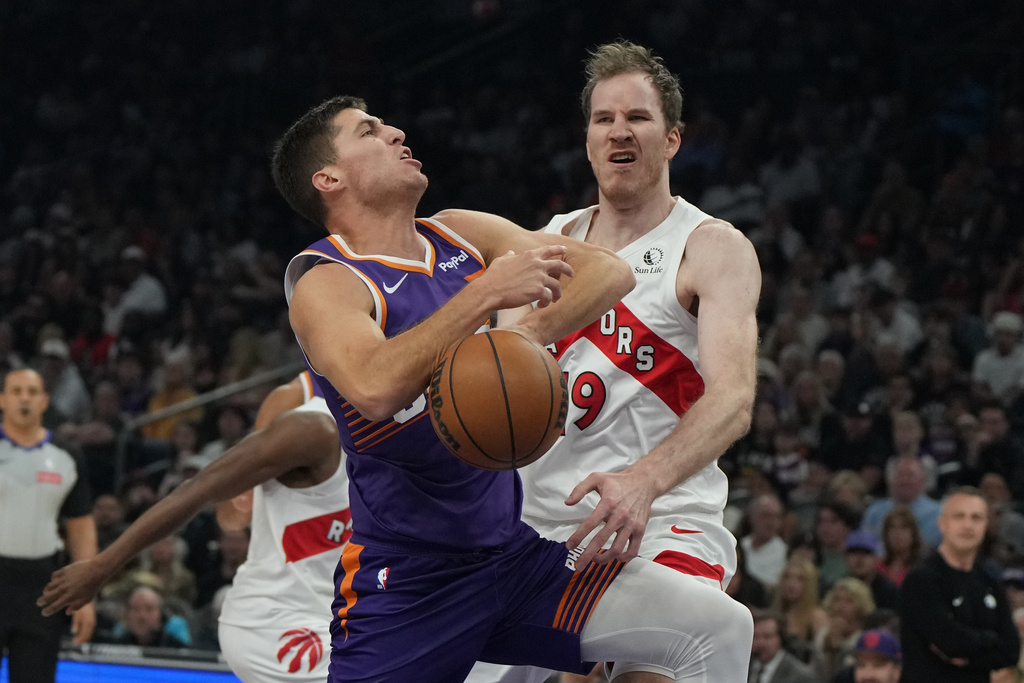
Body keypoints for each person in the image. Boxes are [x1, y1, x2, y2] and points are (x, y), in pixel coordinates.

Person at [278, 92, 752, 682]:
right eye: (369, 131)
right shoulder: (330, 281)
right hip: (411, 587)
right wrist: (484, 297)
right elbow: (374, 387)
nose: (396, 132)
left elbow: (610, 271)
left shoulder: (460, 233)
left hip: (517, 561)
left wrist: (515, 341)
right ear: (329, 177)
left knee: (718, 626)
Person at [472, 39, 760, 683]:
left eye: (638, 118)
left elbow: (733, 397)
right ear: (588, 139)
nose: (618, 131)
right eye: (604, 119)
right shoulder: (549, 242)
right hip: (539, 526)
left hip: (659, 522)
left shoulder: (711, 246)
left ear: (673, 139)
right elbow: (495, 384)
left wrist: (643, 481)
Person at [38, 377, 350, 682]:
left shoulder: (389, 435)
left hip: (341, 616)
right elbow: (209, 499)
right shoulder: (311, 422)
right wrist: (101, 566)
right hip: (278, 621)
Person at [0, 368, 97, 683]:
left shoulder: (67, 456)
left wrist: (86, 595)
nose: (24, 398)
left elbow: (81, 527)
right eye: (16, 391)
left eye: (31, 391)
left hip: (41, 586)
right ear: (2, 400)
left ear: (44, 401)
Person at [899, 486, 1020, 682]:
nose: (968, 525)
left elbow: (1011, 651)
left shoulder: (990, 581)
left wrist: (967, 658)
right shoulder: (921, 579)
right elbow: (950, 641)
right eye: (959, 516)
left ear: (985, 525)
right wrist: (990, 640)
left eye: (976, 518)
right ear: (942, 523)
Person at [861, 455, 942, 548]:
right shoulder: (875, 511)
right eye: (901, 475)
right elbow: (864, 544)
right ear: (891, 481)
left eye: (910, 475)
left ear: (923, 481)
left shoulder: (937, 514)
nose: (905, 480)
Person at [747, 609, 817, 683]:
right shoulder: (744, 668)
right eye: (756, 637)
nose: (761, 643)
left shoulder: (801, 676)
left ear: (781, 638)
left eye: (767, 637)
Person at [109, 585, 189, 648]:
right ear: (127, 614)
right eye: (136, 609)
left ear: (160, 614)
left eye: (149, 609)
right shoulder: (115, 647)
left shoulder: (176, 648)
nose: (142, 616)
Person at [844, 529, 901, 612]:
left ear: (877, 558)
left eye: (866, 552)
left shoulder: (889, 591)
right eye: (854, 552)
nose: (859, 558)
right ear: (845, 557)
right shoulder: (840, 588)